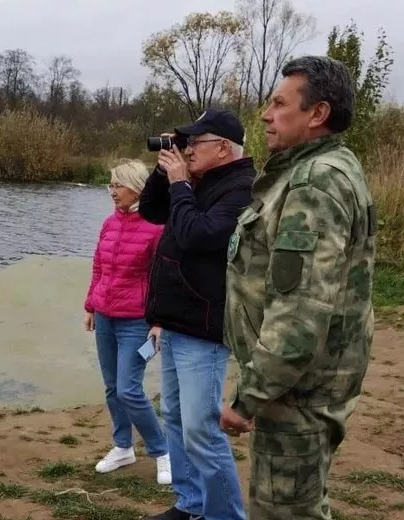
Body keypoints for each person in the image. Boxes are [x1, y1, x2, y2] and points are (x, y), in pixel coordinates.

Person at [221, 55, 377, 520]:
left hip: (296, 393)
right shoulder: (320, 169)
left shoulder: (317, 181)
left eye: (278, 103)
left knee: (283, 512)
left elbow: (300, 311)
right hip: (303, 386)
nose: (266, 115)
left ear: (317, 114)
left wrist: (249, 397)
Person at [139, 109, 255, 520]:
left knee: (202, 430)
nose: (186, 150)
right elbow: (151, 211)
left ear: (223, 148)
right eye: (182, 143)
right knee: (174, 417)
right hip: (175, 320)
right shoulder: (198, 182)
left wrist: (181, 184)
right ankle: (191, 505)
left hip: (204, 327)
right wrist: (162, 174)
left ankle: (225, 515)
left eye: (194, 143)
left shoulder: (241, 189)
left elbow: (200, 236)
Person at [84, 158, 172, 486]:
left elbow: (164, 278)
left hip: (137, 322)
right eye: (110, 184)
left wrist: (160, 322)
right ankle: (123, 447)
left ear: (136, 187)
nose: (112, 191)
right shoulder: (109, 224)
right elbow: (98, 266)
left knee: (129, 389)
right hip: (105, 317)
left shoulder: (157, 227)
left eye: (117, 184)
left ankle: (162, 451)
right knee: (112, 387)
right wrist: (91, 306)